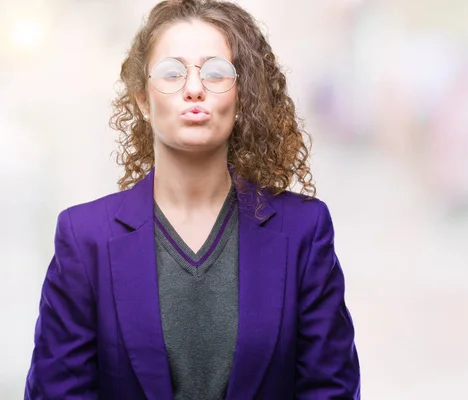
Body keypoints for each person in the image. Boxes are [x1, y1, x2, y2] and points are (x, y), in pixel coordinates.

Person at [24, 0, 360, 399]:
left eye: (217, 73)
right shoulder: (84, 239)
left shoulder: (304, 231)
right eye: (172, 72)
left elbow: (329, 390)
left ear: (240, 99)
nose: (195, 88)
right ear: (142, 100)